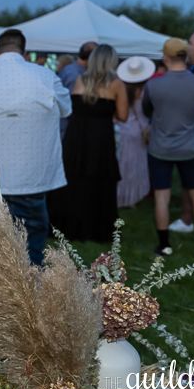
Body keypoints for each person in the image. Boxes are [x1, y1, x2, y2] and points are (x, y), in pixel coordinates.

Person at [0, 28, 70, 265]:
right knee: (33, 242)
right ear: (24, 52)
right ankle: (31, 289)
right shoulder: (46, 77)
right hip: (33, 175)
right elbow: (67, 109)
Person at [49, 44, 128, 242]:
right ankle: (97, 228)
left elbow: (70, 109)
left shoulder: (79, 80)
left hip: (77, 137)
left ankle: (71, 226)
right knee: (99, 181)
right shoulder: (117, 84)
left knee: (75, 180)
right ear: (112, 61)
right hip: (101, 139)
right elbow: (123, 115)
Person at [142, 38, 194, 257]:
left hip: (160, 148)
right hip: (190, 148)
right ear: (185, 56)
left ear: (165, 57)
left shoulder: (154, 84)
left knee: (162, 197)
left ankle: (164, 245)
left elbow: (147, 111)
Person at [170, 30, 194, 234]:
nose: (187, 46)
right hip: (193, 134)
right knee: (193, 177)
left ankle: (189, 220)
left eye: (190, 42)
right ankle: (188, 219)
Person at [115, 56, 155, 209]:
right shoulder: (145, 92)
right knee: (135, 166)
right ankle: (132, 198)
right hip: (139, 132)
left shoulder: (120, 88)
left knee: (121, 165)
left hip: (122, 130)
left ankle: (119, 197)